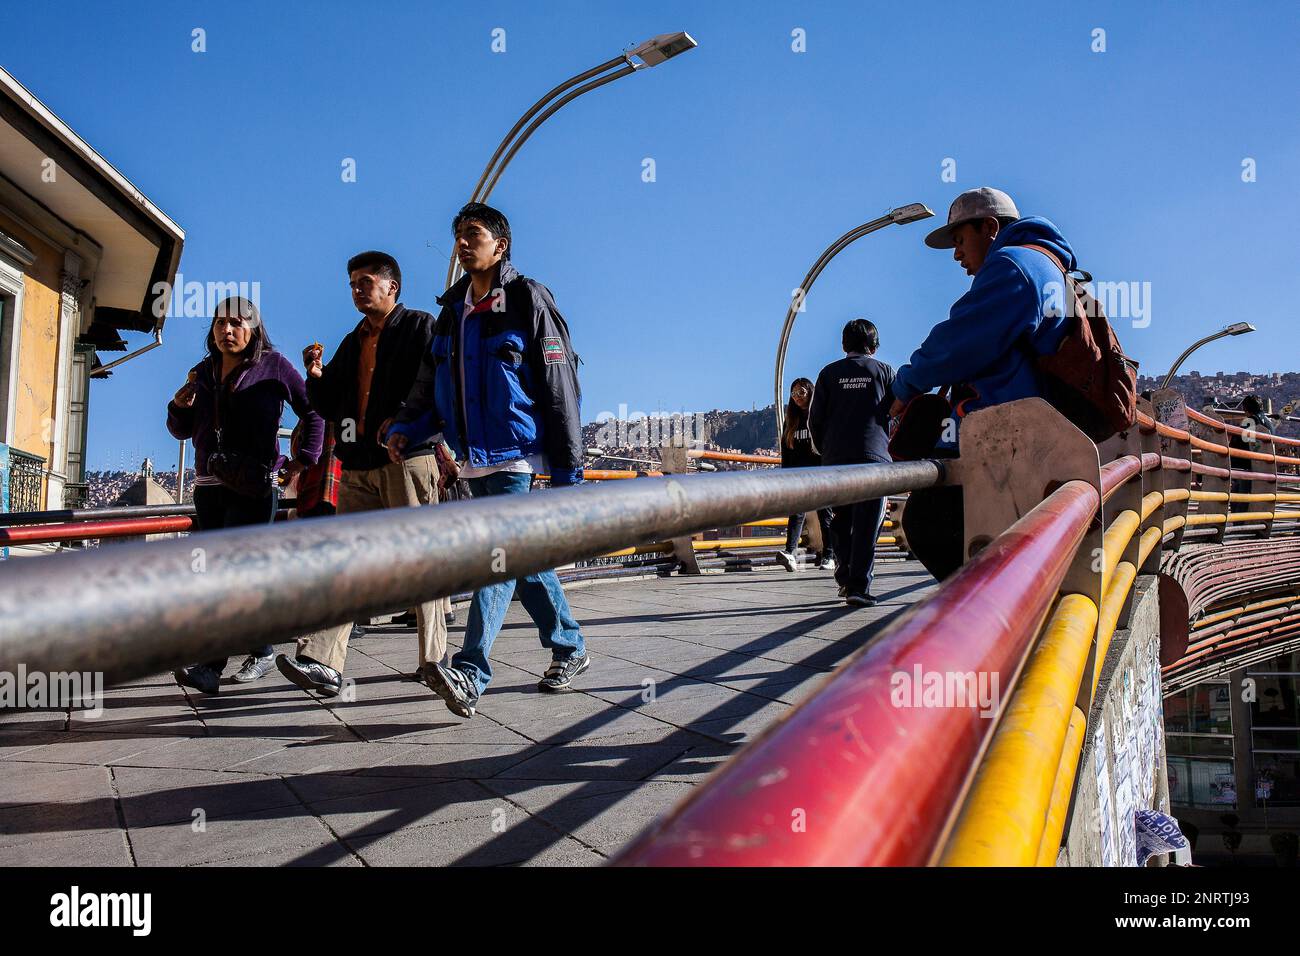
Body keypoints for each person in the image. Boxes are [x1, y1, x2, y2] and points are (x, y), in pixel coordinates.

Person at [386, 202, 588, 719]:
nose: (461, 242)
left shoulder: (526, 299)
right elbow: (433, 388)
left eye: (472, 233)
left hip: (515, 455)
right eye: (456, 234)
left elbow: (560, 384)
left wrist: (567, 469)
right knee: (521, 560)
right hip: (472, 459)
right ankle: (570, 646)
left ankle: (471, 672)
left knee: (495, 559)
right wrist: (407, 427)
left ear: (501, 245)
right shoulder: (451, 314)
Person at [276, 251, 447, 697]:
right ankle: (323, 661)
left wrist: (407, 422)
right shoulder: (352, 341)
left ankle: (434, 661)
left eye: (365, 281)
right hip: (357, 466)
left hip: (406, 461)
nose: (356, 289)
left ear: (392, 286)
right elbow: (329, 405)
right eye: (352, 282)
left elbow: (434, 388)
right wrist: (315, 374)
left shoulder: (420, 327)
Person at [888, 187, 1075, 581]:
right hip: (1034, 436)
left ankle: (989, 627)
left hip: (1005, 437)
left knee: (928, 523)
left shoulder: (1013, 265)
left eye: (960, 240)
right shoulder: (1046, 264)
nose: (957, 254)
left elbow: (957, 343)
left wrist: (904, 386)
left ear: (989, 227)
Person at [167, 296, 324, 693]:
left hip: (254, 487)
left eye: (237, 323)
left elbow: (314, 411)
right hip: (208, 487)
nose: (227, 331)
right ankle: (262, 646)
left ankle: (210, 665)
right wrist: (177, 406)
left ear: (254, 329)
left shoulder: (275, 366)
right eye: (220, 324)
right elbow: (183, 431)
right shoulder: (202, 372)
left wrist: (304, 458)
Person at [808, 319, 894, 607]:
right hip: (874, 458)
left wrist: (826, 452)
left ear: (844, 345)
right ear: (874, 345)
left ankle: (844, 578)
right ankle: (859, 585)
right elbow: (896, 412)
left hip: (836, 458)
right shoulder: (884, 372)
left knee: (841, 520)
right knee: (868, 523)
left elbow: (815, 420)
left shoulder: (828, 374)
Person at [775, 377, 834, 572]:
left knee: (825, 515)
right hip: (798, 475)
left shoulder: (821, 417)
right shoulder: (790, 421)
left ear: (810, 392)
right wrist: (785, 477)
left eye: (801, 392)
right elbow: (786, 451)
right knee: (796, 513)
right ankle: (790, 552)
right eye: (793, 394)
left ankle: (829, 555)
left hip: (821, 473)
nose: (797, 397)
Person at [1230, 395, 1276, 512]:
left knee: (1239, 499)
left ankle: (1240, 524)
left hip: (1247, 467)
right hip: (1267, 467)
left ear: (1245, 409)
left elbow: (1238, 443)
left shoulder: (1250, 421)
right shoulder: (1269, 423)